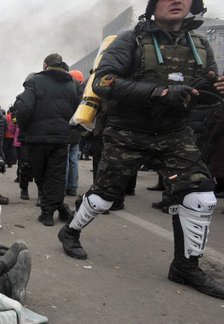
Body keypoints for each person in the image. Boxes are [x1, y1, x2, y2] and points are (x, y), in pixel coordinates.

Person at [58, 0, 224, 299]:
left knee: (200, 195)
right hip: (127, 132)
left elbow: (204, 85)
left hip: (174, 132)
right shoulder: (130, 40)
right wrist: (160, 92)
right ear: (153, 5)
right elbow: (104, 81)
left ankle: (186, 267)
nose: (176, 1)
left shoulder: (199, 43)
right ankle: (70, 231)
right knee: (105, 197)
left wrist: (211, 88)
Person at [14, 53, 79, 226]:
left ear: (45, 65)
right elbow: (78, 109)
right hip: (61, 137)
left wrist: (25, 127)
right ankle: (61, 208)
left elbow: (24, 108)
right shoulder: (72, 83)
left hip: (38, 138)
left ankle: (47, 213)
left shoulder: (35, 81)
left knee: (41, 174)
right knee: (56, 175)